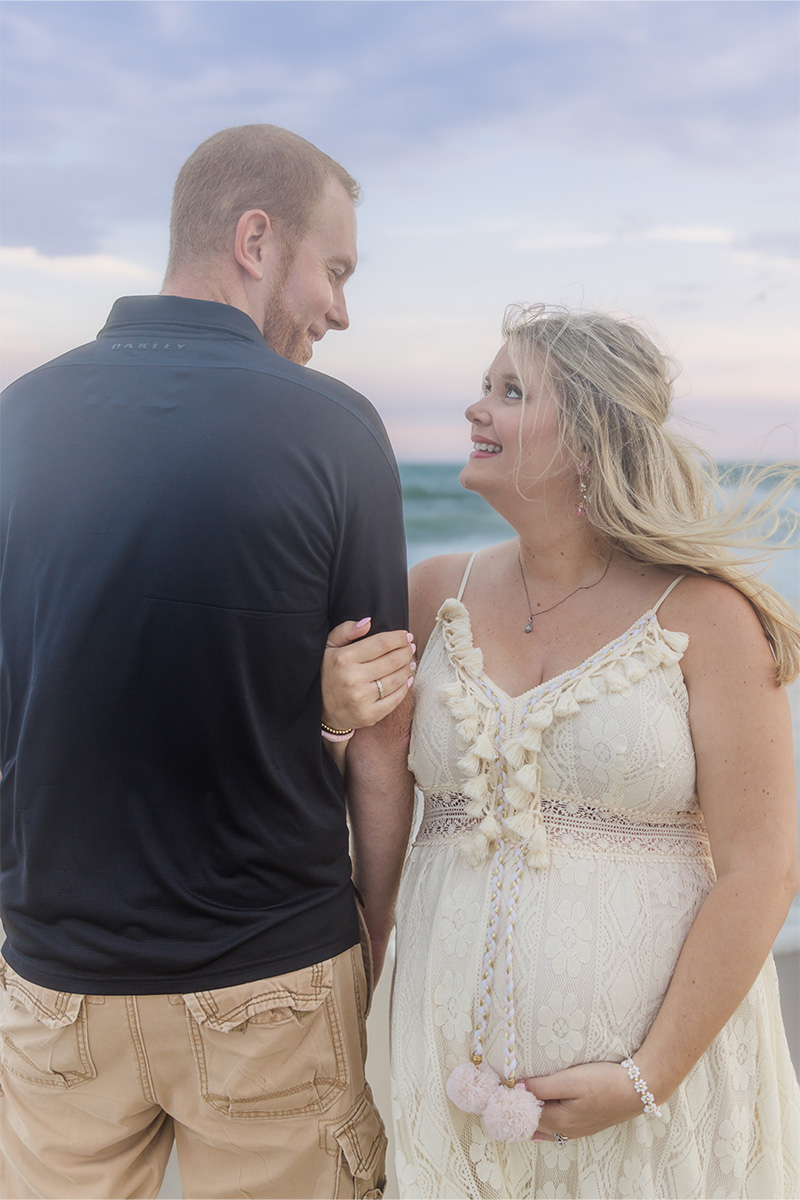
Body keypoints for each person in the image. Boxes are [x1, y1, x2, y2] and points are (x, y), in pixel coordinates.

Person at [0, 124, 415, 1200]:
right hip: (271, 982)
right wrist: (385, 950)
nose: (339, 309)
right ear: (255, 238)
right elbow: (378, 741)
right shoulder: (335, 429)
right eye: (334, 270)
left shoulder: (16, 421)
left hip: (56, 990)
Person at [326, 303, 800, 1197]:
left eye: (510, 392)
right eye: (483, 387)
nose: (476, 410)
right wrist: (328, 710)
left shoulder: (708, 616)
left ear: (588, 438)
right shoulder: (432, 594)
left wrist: (646, 1078)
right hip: (447, 1070)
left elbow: (763, 868)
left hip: (661, 1096)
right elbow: (357, 780)